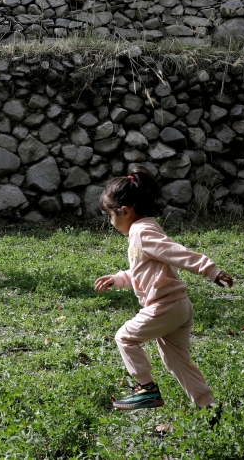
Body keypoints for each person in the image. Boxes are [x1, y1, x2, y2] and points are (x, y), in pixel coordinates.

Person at [95, 166, 234, 412]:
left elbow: (174, 252)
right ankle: (209, 407)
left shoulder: (142, 232)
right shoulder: (145, 229)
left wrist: (208, 268)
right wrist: (118, 278)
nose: (111, 222)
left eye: (111, 215)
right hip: (178, 306)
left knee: (125, 337)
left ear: (125, 211)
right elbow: (141, 271)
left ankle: (146, 389)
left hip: (165, 306)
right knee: (177, 361)